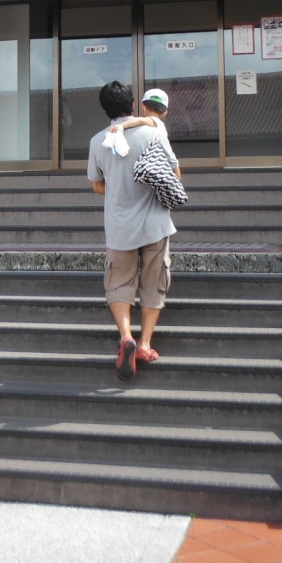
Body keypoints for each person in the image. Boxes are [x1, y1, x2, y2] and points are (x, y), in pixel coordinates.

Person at [87, 80, 180, 381]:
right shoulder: (153, 132)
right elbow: (174, 173)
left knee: (119, 284)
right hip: (155, 224)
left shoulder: (98, 141)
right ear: (132, 105)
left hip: (119, 226)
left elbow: (97, 185)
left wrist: (119, 187)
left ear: (105, 110)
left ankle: (126, 335)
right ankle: (144, 344)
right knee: (154, 283)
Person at [107, 88, 182, 181]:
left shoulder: (152, 121)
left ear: (143, 106)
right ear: (165, 112)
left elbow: (140, 120)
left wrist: (121, 126)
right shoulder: (160, 125)